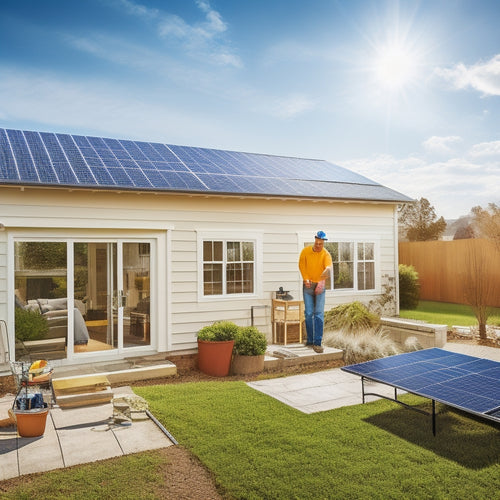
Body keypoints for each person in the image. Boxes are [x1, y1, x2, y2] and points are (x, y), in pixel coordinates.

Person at [298, 230, 333, 353]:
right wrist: (306, 278)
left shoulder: (326, 254)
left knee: (318, 314)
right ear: (315, 241)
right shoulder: (305, 251)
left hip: (320, 286)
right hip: (308, 285)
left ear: (323, 243)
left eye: (321, 244)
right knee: (308, 313)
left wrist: (322, 282)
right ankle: (310, 340)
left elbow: (328, 269)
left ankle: (317, 343)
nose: (319, 246)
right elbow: (302, 265)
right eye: (317, 243)